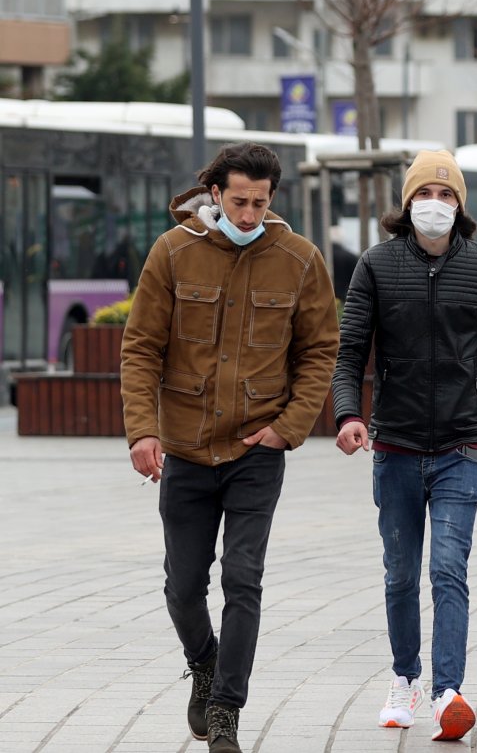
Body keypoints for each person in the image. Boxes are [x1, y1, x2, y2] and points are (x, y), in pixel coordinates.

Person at [121, 143, 340, 753]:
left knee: (244, 579)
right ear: (215, 193)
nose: (248, 215)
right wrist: (142, 429)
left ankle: (226, 711)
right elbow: (140, 347)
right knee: (183, 588)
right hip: (186, 450)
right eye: (239, 201)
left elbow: (321, 350)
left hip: (256, 449)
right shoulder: (173, 253)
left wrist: (288, 427)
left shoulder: (299, 260)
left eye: (260, 203)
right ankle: (205, 661)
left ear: (272, 199)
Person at [332, 150, 477, 741]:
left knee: (448, 569)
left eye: (447, 197)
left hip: (460, 448)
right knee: (400, 574)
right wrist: (348, 415)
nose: (436, 205)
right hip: (393, 446)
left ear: (461, 206)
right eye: (426, 194)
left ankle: (448, 691)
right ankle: (404, 678)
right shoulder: (375, 265)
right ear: (407, 203)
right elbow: (349, 354)